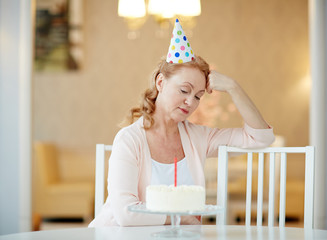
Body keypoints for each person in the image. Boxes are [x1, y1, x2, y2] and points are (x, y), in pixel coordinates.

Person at [89, 19, 275, 227]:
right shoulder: (129, 139)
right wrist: (179, 218)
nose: (190, 102)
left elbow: (261, 138)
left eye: (198, 96)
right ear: (160, 83)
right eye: (184, 90)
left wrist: (233, 87)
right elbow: (125, 214)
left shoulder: (199, 137)